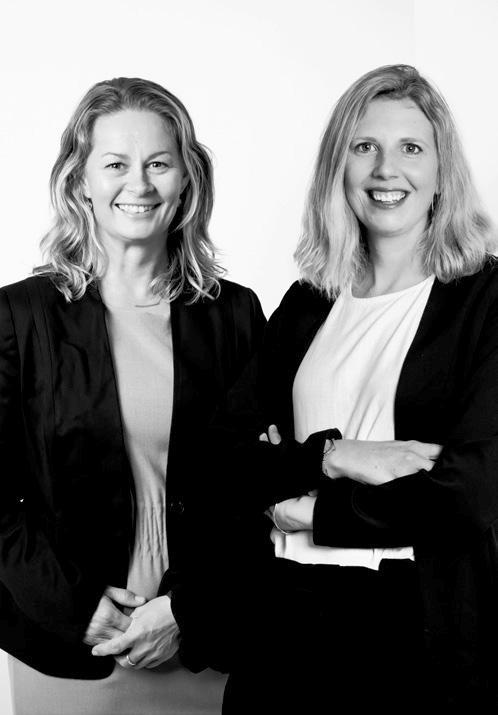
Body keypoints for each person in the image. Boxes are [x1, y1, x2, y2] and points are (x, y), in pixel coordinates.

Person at [200, 65, 498, 712]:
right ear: (339, 165)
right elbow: (222, 463)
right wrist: (334, 456)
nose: (386, 169)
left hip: (411, 630)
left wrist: (315, 511)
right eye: (365, 146)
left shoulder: (486, 301)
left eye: (411, 148)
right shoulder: (309, 302)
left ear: (442, 171)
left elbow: (474, 492)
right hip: (282, 621)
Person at [0, 77, 265, 715]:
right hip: (69, 644)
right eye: (116, 164)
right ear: (80, 180)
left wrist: (185, 610)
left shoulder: (233, 315)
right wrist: (75, 606)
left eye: (158, 163)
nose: (139, 185)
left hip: (201, 636)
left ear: (187, 178)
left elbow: (258, 489)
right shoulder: (19, 317)